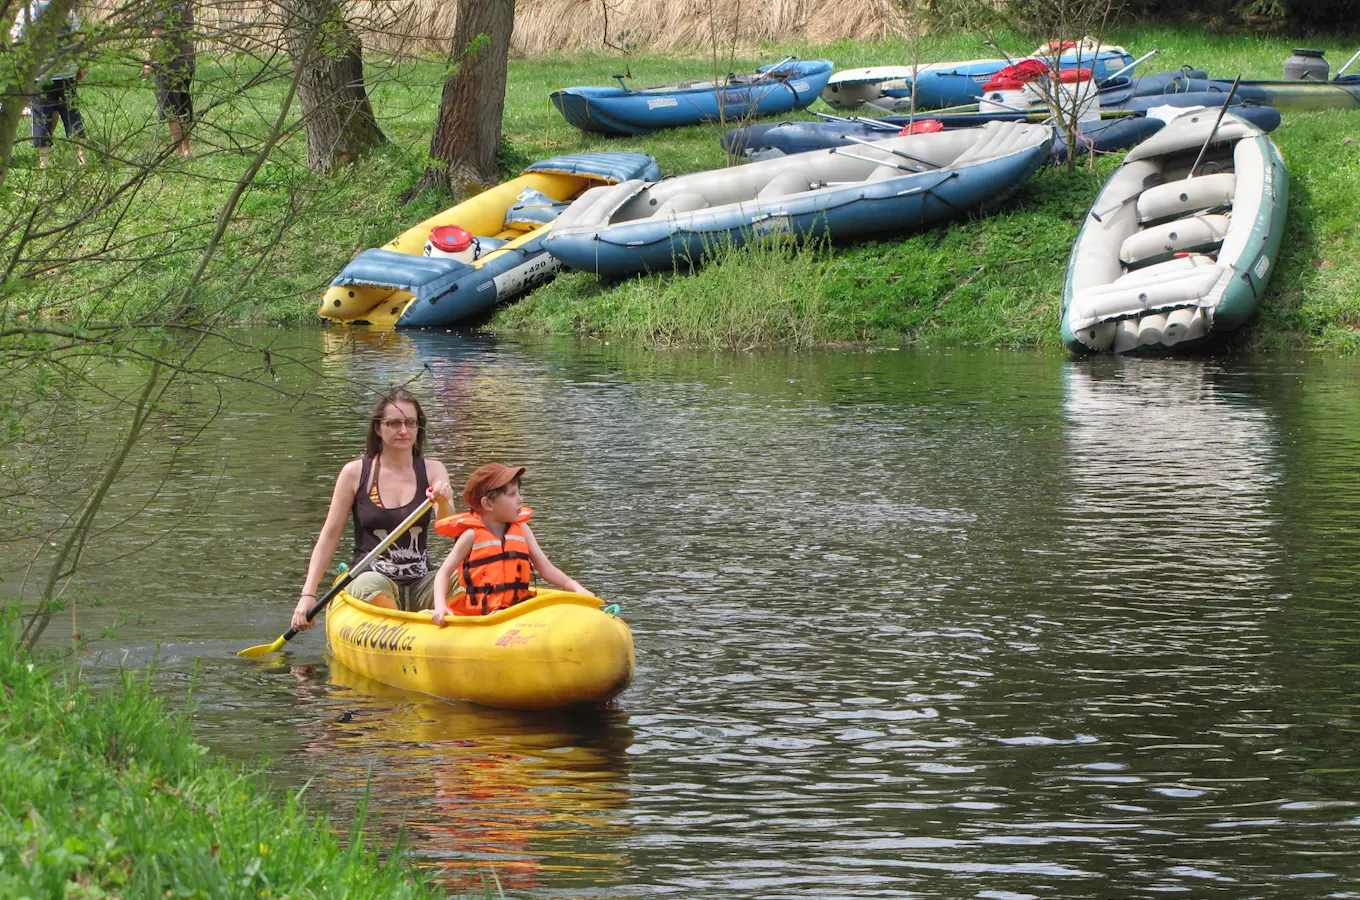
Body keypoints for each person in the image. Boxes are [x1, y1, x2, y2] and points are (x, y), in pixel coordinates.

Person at [291, 389, 455, 632]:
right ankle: (405, 627)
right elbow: (329, 535)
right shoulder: (355, 473)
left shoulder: (433, 470)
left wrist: (443, 501)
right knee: (371, 583)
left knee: (466, 576)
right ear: (378, 428)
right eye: (394, 423)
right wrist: (308, 594)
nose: (403, 430)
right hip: (372, 579)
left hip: (421, 580)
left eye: (411, 423)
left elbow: (449, 527)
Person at [431, 463, 591, 624]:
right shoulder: (470, 536)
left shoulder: (522, 529)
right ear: (488, 504)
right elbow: (443, 573)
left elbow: (547, 570)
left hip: (517, 609)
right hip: (483, 616)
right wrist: (440, 606)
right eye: (512, 494)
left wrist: (577, 588)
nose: (520, 499)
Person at [14, 0, 85, 167]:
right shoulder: (67, 9)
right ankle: (82, 159)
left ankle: (44, 163)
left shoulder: (30, 10)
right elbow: (80, 37)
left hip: (41, 74)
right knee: (72, 114)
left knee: (41, 117)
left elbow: (17, 36)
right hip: (67, 72)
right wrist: (82, 63)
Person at [144, 0, 195, 158]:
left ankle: (179, 151)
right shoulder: (185, 4)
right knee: (184, 105)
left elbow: (159, 34)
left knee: (172, 109)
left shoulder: (163, 5)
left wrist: (149, 60)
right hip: (187, 59)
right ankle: (186, 148)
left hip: (168, 61)